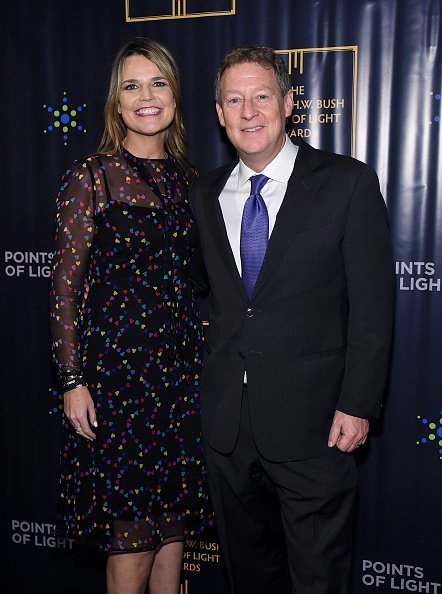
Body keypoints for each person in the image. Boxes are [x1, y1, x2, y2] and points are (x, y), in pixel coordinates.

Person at [189, 46, 395, 594]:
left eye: (261, 96)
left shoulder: (347, 183)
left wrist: (357, 402)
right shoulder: (204, 193)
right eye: (235, 100)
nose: (249, 111)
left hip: (317, 426)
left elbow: (373, 307)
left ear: (287, 103)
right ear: (219, 113)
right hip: (228, 428)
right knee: (248, 576)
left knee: (318, 581)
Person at [50, 37, 211, 594]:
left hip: (179, 378)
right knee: (131, 537)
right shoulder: (90, 177)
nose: (147, 96)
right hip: (117, 385)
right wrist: (73, 381)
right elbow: (65, 290)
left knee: (172, 530)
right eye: (132, 85)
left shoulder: (193, 183)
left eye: (158, 82)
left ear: (175, 96)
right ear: (115, 103)